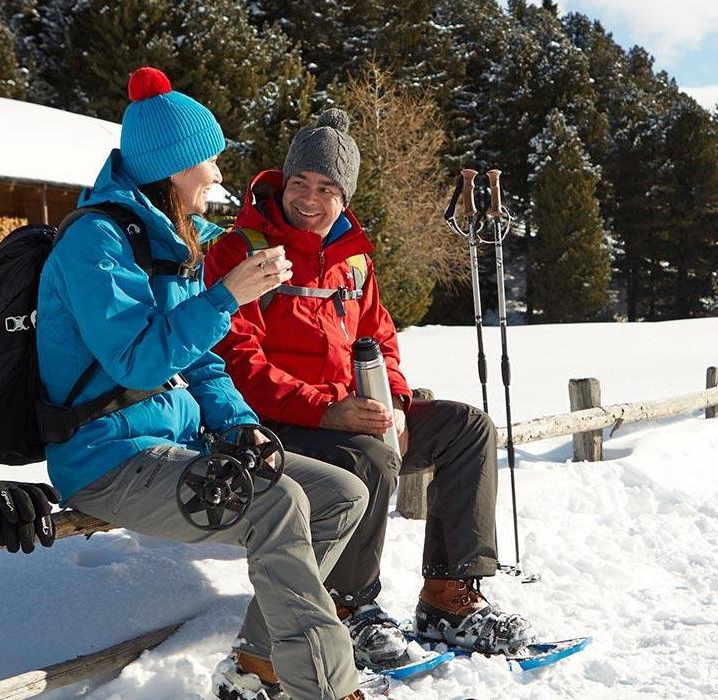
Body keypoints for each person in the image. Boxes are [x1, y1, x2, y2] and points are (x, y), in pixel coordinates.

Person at [35, 67, 369, 700]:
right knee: (277, 505)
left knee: (339, 494)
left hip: (176, 446)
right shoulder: (95, 245)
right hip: (107, 458)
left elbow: (205, 362)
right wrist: (224, 296)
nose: (218, 174)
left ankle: (260, 663)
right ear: (173, 166)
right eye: (209, 160)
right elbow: (136, 362)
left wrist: (240, 425)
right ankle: (326, 688)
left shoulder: (173, 239)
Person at [203, 109, 539, 672]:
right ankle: (347, 606)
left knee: (467, 427)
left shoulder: (353, 259)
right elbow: (238, 364)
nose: (309, 200)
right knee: (371, 455)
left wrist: (398, 404)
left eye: (327, 189)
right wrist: (330, 412)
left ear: (346, 195)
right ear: (284, 182)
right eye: (301, 184)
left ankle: (448, 598)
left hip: (350, 411)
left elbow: (379, 338)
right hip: (271, 423)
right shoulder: (241, 251)